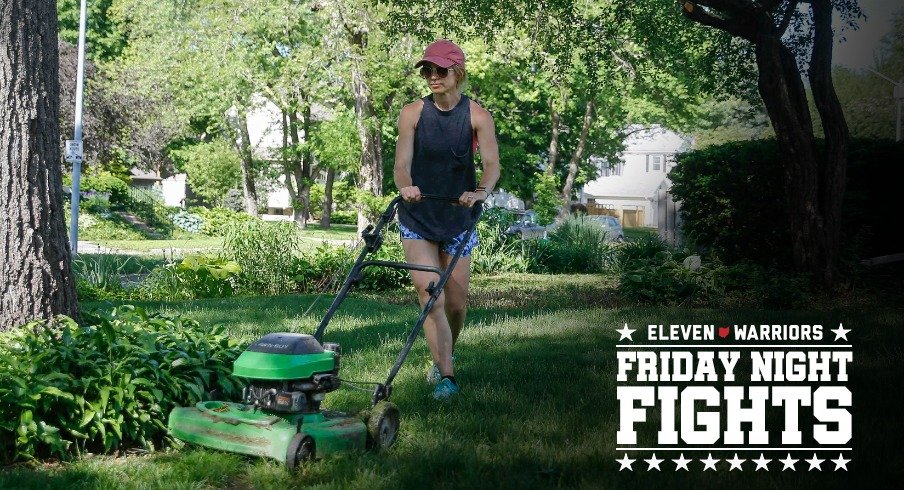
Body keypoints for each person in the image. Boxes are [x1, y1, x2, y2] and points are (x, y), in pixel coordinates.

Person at [393, 39, 501, 401]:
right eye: (427, 70)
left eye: (440, 70)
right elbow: (401, 165)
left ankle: (445, 354)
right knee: (431, 295)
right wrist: (406, 187)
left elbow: (491, 166)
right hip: (418, 216)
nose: (433, 76)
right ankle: (446, 375)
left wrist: (480, 193)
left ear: (457, 72)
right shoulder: (412, 113)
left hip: (458, 217)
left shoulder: (477, 116)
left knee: (455, 304)